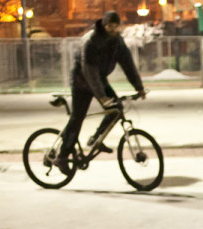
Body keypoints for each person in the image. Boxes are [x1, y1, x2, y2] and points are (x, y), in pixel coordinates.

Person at [55, 11, 147, 174]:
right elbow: (89, 70)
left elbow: (128, 64)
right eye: (109, 26)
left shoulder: (118, 42)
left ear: (119, 26)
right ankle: (62, 156)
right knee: (78, 118)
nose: (112, 29)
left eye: (115, 26)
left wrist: (138, 87)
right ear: (104, 25)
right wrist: (102, 97)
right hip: (81, 81)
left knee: (116, 109)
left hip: (99, 80)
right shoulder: (91, 41)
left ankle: (96, 139)